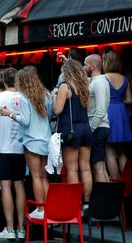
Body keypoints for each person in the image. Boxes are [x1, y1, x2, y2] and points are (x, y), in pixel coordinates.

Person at [0, 67, 52, 219]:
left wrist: (9, 113)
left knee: (35, 176)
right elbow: (50, 115)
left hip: (31, 141)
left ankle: (41, 210)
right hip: (45, 139)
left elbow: (25, 121)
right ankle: (48, 209)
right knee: (43, 177)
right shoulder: (47, 95)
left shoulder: (24, 98)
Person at [0, 68, 26, 239]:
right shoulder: (24, 97)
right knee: (19, 185)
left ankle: (9, 229)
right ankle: (21, 227)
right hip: (20, 148)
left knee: (6, 187)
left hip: (2, 148)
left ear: (3, 80)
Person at [52, 60, 92, 210]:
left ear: (66, 72)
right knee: (86, 168)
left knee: (72, 168)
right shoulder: (84, 86)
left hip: (71, 129)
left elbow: (57, 110)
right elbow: (87, 108)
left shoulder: (65, 86)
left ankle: (76, 204)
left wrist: (55, 98)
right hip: (86, 128)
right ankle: (87, 203)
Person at [103, 51, 132, 178]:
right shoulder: (124, 78)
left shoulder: (103, 78)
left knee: (109, 150)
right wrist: (120, 100)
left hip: (109, 111)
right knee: (121, 150)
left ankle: (115, 183)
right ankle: (126, 182)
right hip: (121, 112)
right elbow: (129, 100)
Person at [83, 54, 110, 182]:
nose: (84, 67)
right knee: (101, 166)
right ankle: (108, 199)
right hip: (100, 127)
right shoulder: (96, 81)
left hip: (98, 128)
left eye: (85, 64)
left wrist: (91, 129)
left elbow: (100, 110)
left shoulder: (98, 83)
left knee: (98, 166)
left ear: (93, 66)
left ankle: (104, 200)